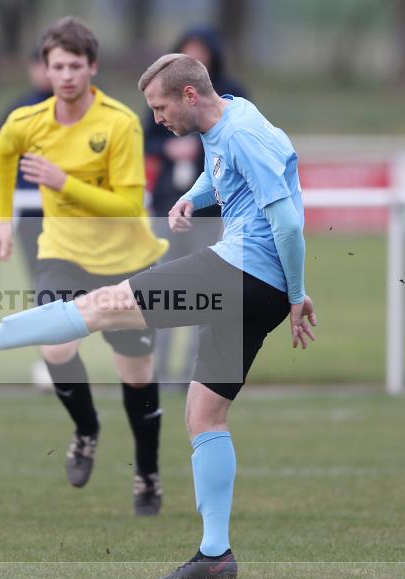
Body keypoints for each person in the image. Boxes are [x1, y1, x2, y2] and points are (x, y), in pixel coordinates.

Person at [0, 53, 316, 579]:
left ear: (189, 95)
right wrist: (193, 199)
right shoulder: (231, 116)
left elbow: (286, 220)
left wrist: (298, 293)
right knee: (204, 415)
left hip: (240, 273)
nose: (157, 119)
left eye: (160, 106)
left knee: (100, 308)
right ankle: (215, 555)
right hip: (254, 287)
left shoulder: (240, 131)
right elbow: (225, 176)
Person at [0, 17, 168, 516]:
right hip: (62, 253)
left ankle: (147, 473)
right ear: (45, 69)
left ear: (93, 67)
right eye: (56, 66)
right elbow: (1, 155)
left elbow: (130, 205)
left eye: (75, 66)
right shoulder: (28, 121)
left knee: (136, 375)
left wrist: (63, 182)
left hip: (125, 261)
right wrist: (4, 220)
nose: (65, 75)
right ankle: (86, 430)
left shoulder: (118, 123)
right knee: (56, 341)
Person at [145, 26, 250, 384]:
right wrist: (167, 148)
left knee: (204, 293)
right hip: (169, 205)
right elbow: (148, 136)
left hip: (213, 215)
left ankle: (194, 371)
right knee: (163, 289)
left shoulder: (233, 101)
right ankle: (155, 371)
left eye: (201, 51)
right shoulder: (162, 96)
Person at [2, 48, 54, 390]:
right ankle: (49, 358)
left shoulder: (87, 112)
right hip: (33, 216)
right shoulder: (19, 112)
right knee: (44, 287)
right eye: (43, 65)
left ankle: (59, 358)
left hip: (75, 216)